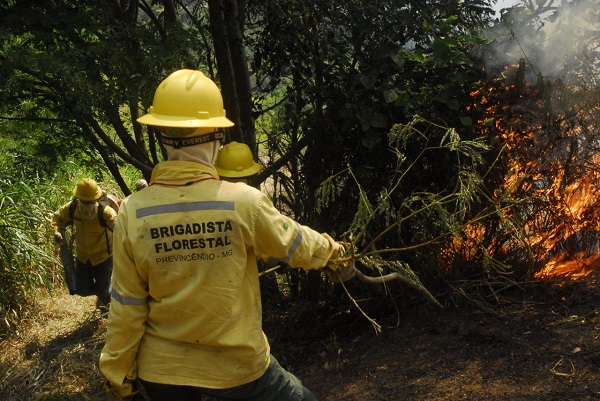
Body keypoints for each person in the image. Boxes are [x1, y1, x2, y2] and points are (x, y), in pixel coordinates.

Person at [99, 69, 350, 401]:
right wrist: (335, 254)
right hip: (237, 368)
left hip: (163, 373)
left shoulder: (132, 212)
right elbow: (296, 244)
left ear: (160, 135)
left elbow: (127, 305)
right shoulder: (242, 202)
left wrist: (117, 375)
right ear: (216, 136)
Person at [53, 178, 117, 310]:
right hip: (83, 256)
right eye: (84, 202)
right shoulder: (72, 208)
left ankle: (107, 314)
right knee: (81, 290)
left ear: (96, 200)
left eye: (90, 202)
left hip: (104, 256)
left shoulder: (105, 212)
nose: (87, 206)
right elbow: (57, 218)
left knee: (104, 293)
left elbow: (117, 224)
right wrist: (57, 231)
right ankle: (109, 290)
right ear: (79, 200)